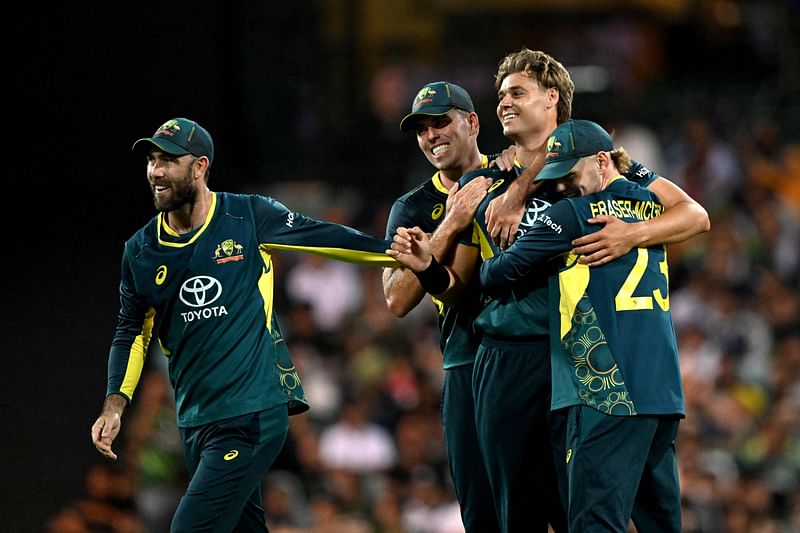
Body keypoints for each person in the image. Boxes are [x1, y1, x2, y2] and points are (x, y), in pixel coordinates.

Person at [390, 48, 708, 533]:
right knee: (513, 510)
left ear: (553, 97)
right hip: (509, 353)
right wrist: (434, 262)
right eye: (500, 96)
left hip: (577, 358)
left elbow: (694, 214)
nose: (504, 104)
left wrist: (628, 233)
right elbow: (464, 285)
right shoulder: (483, 181)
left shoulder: (594, 164)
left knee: (580, 508)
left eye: (516, 93)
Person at [90, 117, 397, 532]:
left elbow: (324, 236)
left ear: (200, 167)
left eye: (168, 160)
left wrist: (394, 253)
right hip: (195, 420)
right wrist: (115, 405)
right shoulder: (141, 252)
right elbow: (131, 334)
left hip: (252, 410)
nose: (156, 171)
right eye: (151, 159)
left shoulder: (248, 215)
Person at [478, 119, 687, 532]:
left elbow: (496, 274)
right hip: (662, 391)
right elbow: (696, 214)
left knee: (595, 523)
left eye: (571, 175)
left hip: (606, 389)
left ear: (602, 161)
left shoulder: (575, 214)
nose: (563, 187)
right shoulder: (651, 208)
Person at [382, 81, 500, 533]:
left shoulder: (516, 174)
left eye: (441, 122)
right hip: (467, 361)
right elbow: (395, 298)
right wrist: (449, 225)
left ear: (472, 122)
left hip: (533, 355)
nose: (431, 136)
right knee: (482, 510)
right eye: (422, 129)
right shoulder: (413, 206)